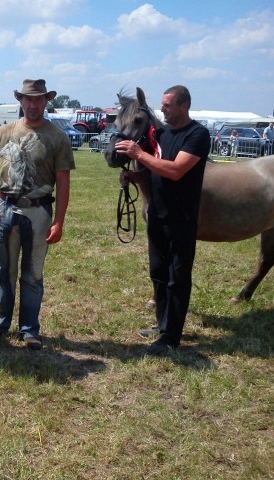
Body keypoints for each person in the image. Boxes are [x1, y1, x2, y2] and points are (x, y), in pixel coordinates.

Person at [0, 79, 74, 350]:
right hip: (5, 209)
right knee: (3, 272)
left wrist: (59, 221)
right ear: (20, 101)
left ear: (46, 101)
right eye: (28, 99)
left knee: (32, 274)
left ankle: (29, 329)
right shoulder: (5, 132)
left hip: (38, 213)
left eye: (38, 99)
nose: (32, 105)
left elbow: (63, 182)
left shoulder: (57, 137)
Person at [115, 85, 211, 356]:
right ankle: (162, 324)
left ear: (184, 106)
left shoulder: (197, 135)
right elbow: (155, 172)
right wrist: (136, 177)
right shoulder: (163, 134)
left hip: (181, 217)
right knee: (158, 274)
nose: (163, 110)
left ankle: (171, 337)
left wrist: (139, 154)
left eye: (168, 105)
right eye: (163, 105)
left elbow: (176, 170)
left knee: (177, 277)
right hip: (157, 214)